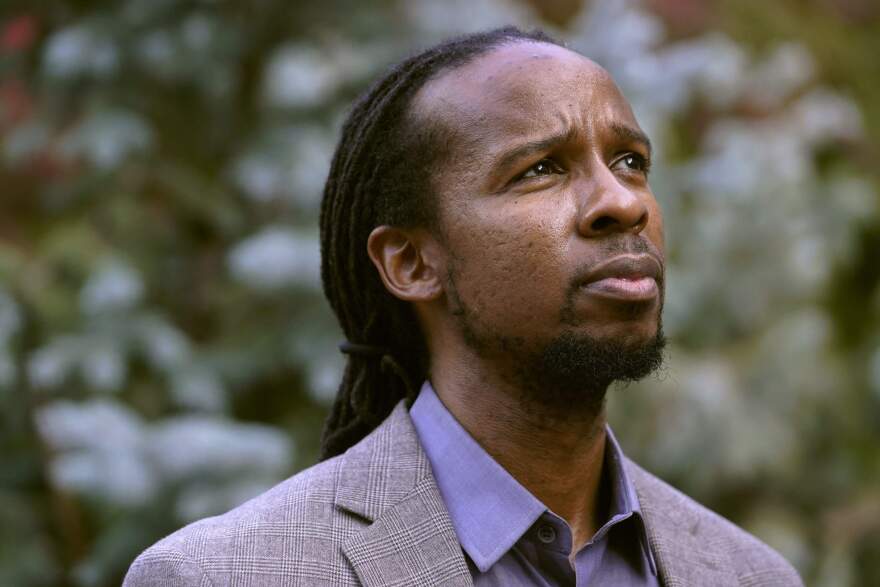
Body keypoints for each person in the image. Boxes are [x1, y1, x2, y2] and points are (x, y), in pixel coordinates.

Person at [124, 27, 804, 586]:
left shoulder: (749, 573)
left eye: (629, 161)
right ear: (413, 263)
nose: (623, 202)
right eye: (541, 168)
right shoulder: (226, 574)